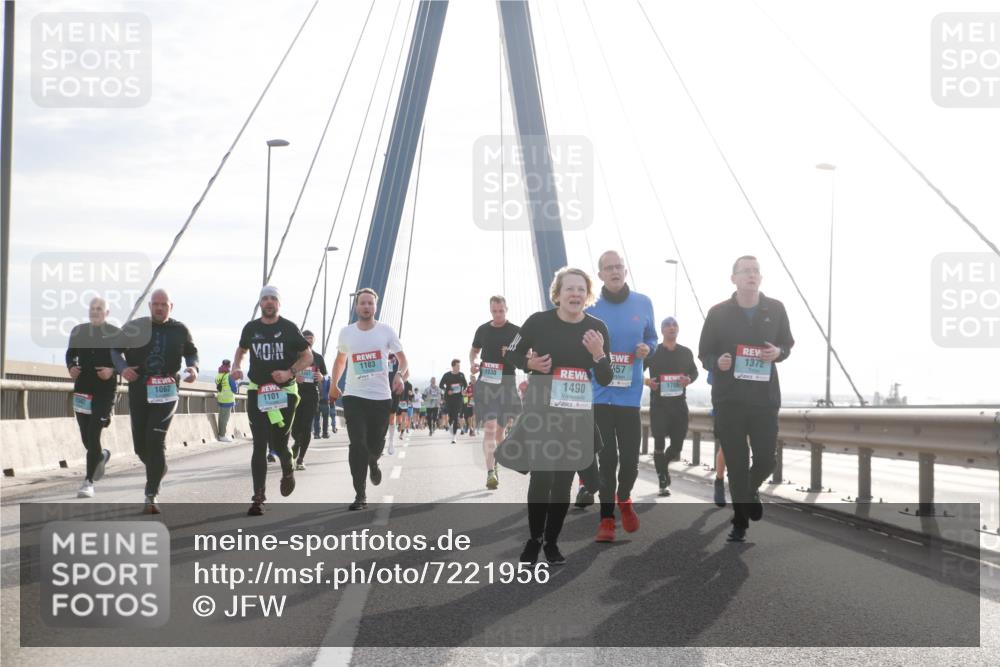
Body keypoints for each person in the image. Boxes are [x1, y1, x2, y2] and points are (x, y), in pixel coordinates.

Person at [503, 267, 612, 566]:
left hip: (576, 416)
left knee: (563, 481)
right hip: (542, 411)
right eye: (569, 289)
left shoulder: (597, 328)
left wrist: (599, 353)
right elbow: (511, 353)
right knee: (542, 476)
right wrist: (529, 364)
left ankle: (551, 542)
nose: (575, 294)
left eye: (581, 289)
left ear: (587, 295)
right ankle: (534, 539)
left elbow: (606, 378)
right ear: (558, 294)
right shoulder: (538, 322)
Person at [698, 255, 794, 542]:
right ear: (734, 279)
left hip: (764, 400)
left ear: (760, 278)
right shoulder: (718, 313)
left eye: (756, 271)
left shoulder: (775, 308)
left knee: (766, 460)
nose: (752, 275)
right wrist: (717, 362)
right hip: (729, 400)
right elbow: (704, 353)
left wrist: (778, 352)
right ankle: (739, 523)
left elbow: (787, 344)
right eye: (746, 271)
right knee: (737, 465)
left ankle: (750, 492)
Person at [586, 251, 657, 543]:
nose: (615, 271)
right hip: (600, 395)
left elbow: (652, 338)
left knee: (630, 461)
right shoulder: (591, 306)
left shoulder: (643, 303)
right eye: (609, 268)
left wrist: (648, 349)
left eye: (619, 267)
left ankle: (624, 498)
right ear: (600, 275)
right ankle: (606, 519)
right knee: (607, 460)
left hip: (630, 395)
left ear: (625, 271)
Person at [112, 288, 199, 514]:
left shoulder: (180, 330)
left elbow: (191, 352)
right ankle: (159, 467)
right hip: (139, 388)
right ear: (150, 306)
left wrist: (193, 367)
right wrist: (122, 368)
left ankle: (151, 495)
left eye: (164, 304)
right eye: (156, 304)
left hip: (167, 389)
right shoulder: (135, 327)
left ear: (171, 307)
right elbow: (114, 350)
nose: (159, 308)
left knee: (155, 439)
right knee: (141, 447)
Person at [230, 286, 311, 516]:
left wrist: (289, 372)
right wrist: (236, 366)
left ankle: (288, 468)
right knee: (259, 444)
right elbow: (241, 349)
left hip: (284, 393)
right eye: (265, 298)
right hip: (258, 391)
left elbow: (307, 356)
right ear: (260, 303)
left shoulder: (289, 328)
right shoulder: (251, 328)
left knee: (279, 445)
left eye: (273, 298)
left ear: (279, 303)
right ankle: (258, 497)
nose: (268, 302)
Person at [329, 288, 407, 510]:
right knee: (357, 445)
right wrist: (334, 384)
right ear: (356, 306)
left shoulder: (386, 331)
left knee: (375, 445)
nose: (366, 306)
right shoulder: (346, 332)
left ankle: (373, 461)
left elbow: (403, 360)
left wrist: (400, 375)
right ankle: (360, 495)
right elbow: (341, 361)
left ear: (375, 306)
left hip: (381, 398)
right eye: (362, 303)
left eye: (370, 303)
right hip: (354, 396)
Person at [67, 297, 119, 499]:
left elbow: (125, 363)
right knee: (86, 436)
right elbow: (70, 354)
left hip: (104, 392)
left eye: (99, 309)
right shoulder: (78, 331)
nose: (95, 312)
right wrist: (71, 367)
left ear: (107, 313)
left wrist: (112, 370)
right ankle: (101, 455)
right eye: (92, 309)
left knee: (94, 432)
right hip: (83, 390)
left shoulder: (116, 334)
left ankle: (88, 482)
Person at [470, 295, 522, 490]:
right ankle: (490, 472)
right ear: (490, 310)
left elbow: (526, 357)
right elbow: (474, 351)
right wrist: (473, 362)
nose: (498, 314)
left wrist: (512, 353)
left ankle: (497, 461)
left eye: (501, 311)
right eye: (494, 311)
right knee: (490, 428)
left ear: (506, 309)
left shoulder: (516, 331)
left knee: (500, 433)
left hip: (507, 384)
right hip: (487, 384)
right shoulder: (482, 330)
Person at [644, 316, 698, 496]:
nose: (671, 327)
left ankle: (663, 465)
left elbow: (694, 371)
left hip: (679, 406)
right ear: (662, 330)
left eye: (674, 324)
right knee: (659, 444)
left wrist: (689, 379)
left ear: (678, 329)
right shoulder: (653, 352)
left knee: (677, 447)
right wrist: (647, 382)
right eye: (667, 325)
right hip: (659, 406)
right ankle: (662, 480)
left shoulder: (686, 352)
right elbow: (637, 370)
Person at [290, 331, 327, 470]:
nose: (308, 340)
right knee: (295, 428)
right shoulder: (293, 355)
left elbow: (324, 375)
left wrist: (321, 377)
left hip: (311, 395)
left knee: (306, 428)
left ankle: (300, 459)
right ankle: (297, 443)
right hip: (295, 394)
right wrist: (294, 377)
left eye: (311, 338)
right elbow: (286, 372)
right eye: (305, 338)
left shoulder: (318, 357)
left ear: (314, 340)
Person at [439, 360, 468, 444]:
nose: (459, 367)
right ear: (453, 366)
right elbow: (441, 385)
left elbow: (465, 385)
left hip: (458, 398)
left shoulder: (461, 375)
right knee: (450, 417)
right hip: (449, 398)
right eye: (458, 366)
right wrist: (447, 390)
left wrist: (464, 390)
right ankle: (450, 426)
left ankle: (454, 436)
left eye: (459, 366)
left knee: (455, 416)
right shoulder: (447, 375)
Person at [215, 359, 238, 443]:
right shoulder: (229, 376)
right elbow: (235, 389)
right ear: (229, 365)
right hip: (228, 400)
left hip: (220, 398)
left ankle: (221, 434)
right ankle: (222, 435)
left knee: (221, 418)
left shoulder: (218, 375)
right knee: (225, 419)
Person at [315, 374, 332, 438]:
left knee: (316, 419)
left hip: (316, 401)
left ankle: (317, 434)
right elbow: (330, 389)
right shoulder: (327, 379)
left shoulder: (315, 378)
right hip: (325, 401)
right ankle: (325, 433)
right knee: (325, 419)